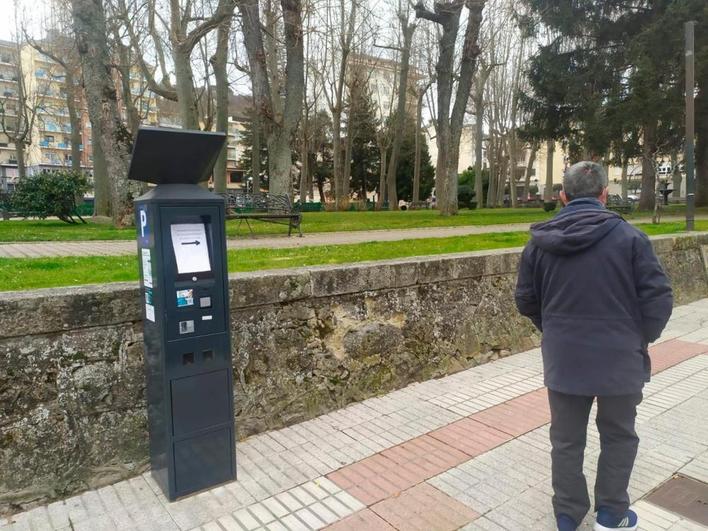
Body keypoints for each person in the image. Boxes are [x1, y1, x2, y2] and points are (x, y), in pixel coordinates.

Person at [515, 161, 673, 531]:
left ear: (563, 196)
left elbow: (526, 300)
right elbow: (659, 299)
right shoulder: (631, 238)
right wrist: (637, 336)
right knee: (619, 435)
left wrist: (552, 329)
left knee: (566, 441)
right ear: (605, 195)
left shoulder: (538, 245)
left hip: (564, 359)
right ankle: (610, 515)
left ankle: (568, 516)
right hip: (620, 359)